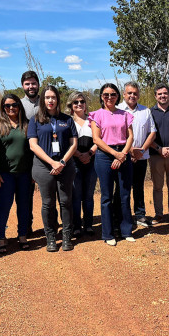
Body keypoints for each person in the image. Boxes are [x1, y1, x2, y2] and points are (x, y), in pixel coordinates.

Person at [28, 85, 77, 252]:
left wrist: (61, 162)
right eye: (47, 97)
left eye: (53, 97)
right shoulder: (35, 120)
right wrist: (52, 162)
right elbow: (33, 146)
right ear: (43, 100)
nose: (50, 100)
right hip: (43, 167)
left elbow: (74, 144)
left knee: (65, 201)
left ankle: (66, 237)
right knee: (48, 203)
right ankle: (50, 236)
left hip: (65, 166)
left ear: (58, 100)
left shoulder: (67, 119)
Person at [89, 83, 135, 246]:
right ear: (101, 96)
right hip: (104, 157)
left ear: (118, 96)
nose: (110, 97)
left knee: (124, 194)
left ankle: (126, 230)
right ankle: (108, 233)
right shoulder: (96, 115)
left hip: (123, 154)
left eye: (113, 94)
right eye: (106, 94)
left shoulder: (125, 114)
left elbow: (130, 137)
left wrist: (123, 154)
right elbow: (96, 139)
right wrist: (115, 154)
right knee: (106, 196)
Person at [0, 94, 33, 252]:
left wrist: (33, 172)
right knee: (4, 205)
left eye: (14, 105)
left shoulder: (27, 124)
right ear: (3, 108)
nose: (11, 108)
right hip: (5, 174)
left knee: (24, 205)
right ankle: (0, 237)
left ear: (19, 106)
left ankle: (22, 235)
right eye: (7, 106)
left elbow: (33, 150)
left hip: (25, 173)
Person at [117, 81, 156, 227]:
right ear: (124, 94)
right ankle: (124, 217)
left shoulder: (145, 111)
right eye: (129, 93)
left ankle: (140, 215)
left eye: (135, 93)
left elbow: (152, 132)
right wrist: (130, 151)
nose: (132, 95)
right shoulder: (117, 109)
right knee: (123, 188)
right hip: (122, 156)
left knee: (139, 186)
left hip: (141, 156)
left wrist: (141, 151)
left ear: (138, 95)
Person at [149, 83, 169, 225]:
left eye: (165, 93)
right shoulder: (149, 112)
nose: (162, 96)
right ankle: (158, 214)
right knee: (157, 186)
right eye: (159, 94)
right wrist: (159, 149)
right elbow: (146, 135)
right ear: (155, 96)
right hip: (155, 155)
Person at [66, 91, 97, 237]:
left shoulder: (93, 119)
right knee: (76, 195)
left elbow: (99, 139)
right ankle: (76, 226)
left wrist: (89, 154)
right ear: (71, 105)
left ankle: (89, 225)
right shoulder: (67, 121)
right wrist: (79, 155)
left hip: (91, 161)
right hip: (74, 163)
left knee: (89, 195)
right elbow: (66, 142)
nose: (79, 104)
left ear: (85, 104)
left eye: (82, 101)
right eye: (76, 102)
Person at [20, 71, 40, 234]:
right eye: (27, 84)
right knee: (27, 194)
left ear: (38, 84)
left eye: (33, 83)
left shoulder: (47, 101)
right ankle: (26, 226)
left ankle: (53, 225)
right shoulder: (18, 105)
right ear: (22, 86)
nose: (31, 86)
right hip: (26, 154)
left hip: (48, 153)